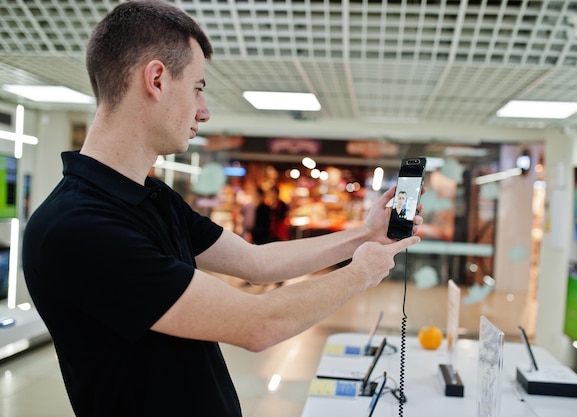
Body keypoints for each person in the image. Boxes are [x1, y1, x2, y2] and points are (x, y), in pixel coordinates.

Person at [21, 1, 423, 416]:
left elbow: (257, 262)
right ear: (156, 80)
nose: (204, 111)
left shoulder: (151, 198)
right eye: (198, 88)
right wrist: (361, 273)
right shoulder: (78, 227)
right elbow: (257, 324)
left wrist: (366, 235)